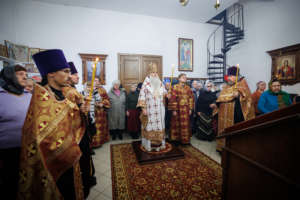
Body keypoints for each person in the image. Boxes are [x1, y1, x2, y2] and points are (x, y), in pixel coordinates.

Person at [18, 49, 88, 199]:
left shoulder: (63, 94)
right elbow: (36, 135)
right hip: (51, 160)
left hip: (70, 154)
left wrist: (82, 111)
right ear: (51, 74)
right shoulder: (41, 97)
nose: (69, 76)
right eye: (65, 71)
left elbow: (74, 120)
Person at [65, 61, 97, 198]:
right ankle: (85, 183)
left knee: (86, 157)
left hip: (82, 131)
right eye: (75, 74)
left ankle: (87, 179)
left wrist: (84, 110)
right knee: (82, 158)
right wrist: (83, 110)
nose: (78, 77)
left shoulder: (73, 90)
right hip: (75, 134)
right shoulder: (69, 92)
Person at [0, 65, 32, 200]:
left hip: (29, 151)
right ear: (9, 76)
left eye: (25, 74)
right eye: (20, 74)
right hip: (6, 155)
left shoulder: (29, 96)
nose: (25, 77)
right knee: (8, 187)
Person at [216, 66, 255, 152]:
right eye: (228, 76)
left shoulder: (242, 85)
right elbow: (220, 98)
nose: (228, 78)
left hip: (236, 114)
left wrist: (239, 96)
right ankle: (221, 148)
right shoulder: (226, 87)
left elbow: (248, 99)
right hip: (223, 114)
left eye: (231, 76)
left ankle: (233, 149)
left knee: (234, 131)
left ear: (236, 76)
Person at [137, 63, 167, 151]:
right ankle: (149, 145)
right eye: (153, 72)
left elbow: (164, 93)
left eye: (156, 72)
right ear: (149, 73)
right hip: (150, 110)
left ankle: (159, 144)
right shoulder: (146, 83)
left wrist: (167, 94)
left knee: (159, 127)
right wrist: (143, 108)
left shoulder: (159, 82)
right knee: (150, 126)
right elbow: (142, 96)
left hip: (160, 110)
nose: (155, 74)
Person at [168, 73, 194, 145]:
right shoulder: (175, 87)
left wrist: (190, 109)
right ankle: (176, 140)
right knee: (176, 124)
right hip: (178, 109)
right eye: (183, 77)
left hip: (186, 109)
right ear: (179, 79)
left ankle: (185, 140)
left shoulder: (188, 88)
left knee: (185, 124)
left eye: (185, 77)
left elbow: (191, 98)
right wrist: (174, 110)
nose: (185, 78)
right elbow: (173, 99)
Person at [92, 78, 111, 147]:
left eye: (96, 80)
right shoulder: (89, 89)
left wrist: (102, 103)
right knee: (93, 127)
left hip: (100, 112)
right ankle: (93, 143)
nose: (95, 82)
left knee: (100, 127)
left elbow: (107, 100)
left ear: (99, 82)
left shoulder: (102, 89)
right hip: (92, 112)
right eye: (94, 80)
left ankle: (101, 141)